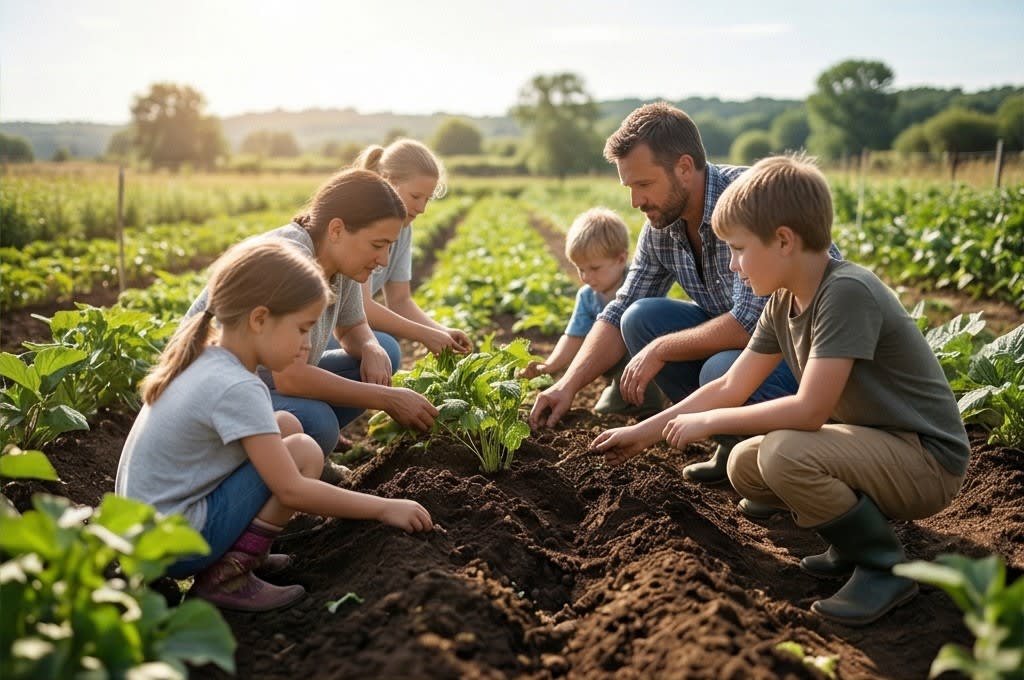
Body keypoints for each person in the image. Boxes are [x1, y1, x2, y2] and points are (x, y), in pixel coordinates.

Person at [592, 154, 969, 626]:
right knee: (746, 465)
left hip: (927, 459)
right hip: (878, 445)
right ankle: (848, 542)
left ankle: (883, 566)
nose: (732, 266)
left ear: (784, 240)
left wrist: (708, 422)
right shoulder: (783, 302)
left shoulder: (846, 292)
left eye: (738, 249)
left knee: (783, 455)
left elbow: (810, 410)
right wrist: (647, 431)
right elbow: (733, 383)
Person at [531, 102, 840, 486]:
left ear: (683, 167)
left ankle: (775, 462)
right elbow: (619, 307)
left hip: (805, 361)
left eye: (644, 184)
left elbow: (752, 324)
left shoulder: (751, 204)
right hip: (748, 355)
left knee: (717, 366)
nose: (635, 201)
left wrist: (661, 349)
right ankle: (731, 446)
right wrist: (567, 386)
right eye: (629, 187)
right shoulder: (661, 227)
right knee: (639, 317)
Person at [116, 240, 433, 612]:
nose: (307, 344)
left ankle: (241, 546)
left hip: (141, 532)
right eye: (302, 329)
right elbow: (293, 489)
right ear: (259, 319)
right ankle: (229, 574)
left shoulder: (208, 358)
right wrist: (383, 508)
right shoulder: (238, 386)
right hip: (173, 546)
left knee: (284, 423)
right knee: (303, 452)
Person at [184, 169, 438, 459]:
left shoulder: (338, 261)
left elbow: (352, 326)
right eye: (377, 245)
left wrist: (369, 346)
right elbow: (289, 378)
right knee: (318, 423)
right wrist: (387, 399)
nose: (382, 260)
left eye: (388, 247)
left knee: (385, 350)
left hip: (263, 378)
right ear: (337, 229)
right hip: (217, 393)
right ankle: (299, 459)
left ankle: (304, 454)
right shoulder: (292, 261)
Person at [521, 207, 664, 417]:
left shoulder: (641, 285)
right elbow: (574, 337)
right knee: (605, 411)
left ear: (620, 259)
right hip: (615, 370)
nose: (586, 277)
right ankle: (622, 393)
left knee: (624, 405)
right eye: (581, 269)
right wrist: (549, 365)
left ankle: (653, 402)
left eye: (595, 268)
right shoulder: (587, 296)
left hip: (652, 367)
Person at [355, 139, 473, 357]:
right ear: (386, 180)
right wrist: (425, 335)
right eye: (415, 196)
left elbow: (400, 301)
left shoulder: (403, 229)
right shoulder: (360, 223)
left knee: (386, 348)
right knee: (387, 348)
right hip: (315, 326)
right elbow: (361, 308)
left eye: (427, 199)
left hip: (346, 323)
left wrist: (441, 331)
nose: (421, 208)